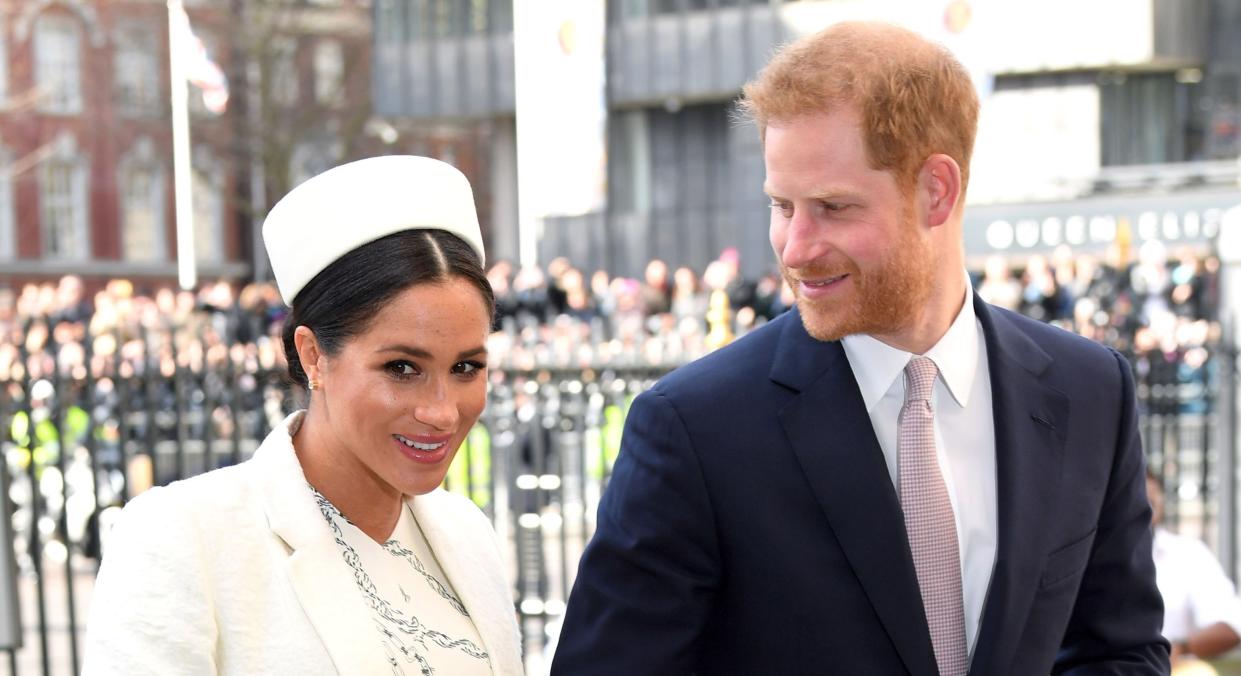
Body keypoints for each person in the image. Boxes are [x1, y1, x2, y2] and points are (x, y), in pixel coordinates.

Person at [551, 21, 1168, 675]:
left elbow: (1118, 649)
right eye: (782, 205)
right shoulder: (694, 429)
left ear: (936, 191)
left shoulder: (1088, 389)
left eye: (832, 207)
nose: (794, 248)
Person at [84, 156, 523, 675]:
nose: (442, 411)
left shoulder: (467, 533)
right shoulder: (184, 538)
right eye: (402, 367)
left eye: (466, 367)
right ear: (314, 355)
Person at [1148, 472, 1241, 673]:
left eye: (1151, 502)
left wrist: (1179, 648)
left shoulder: (1188, 555)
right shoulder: (1084, 555)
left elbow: (1231, 627)